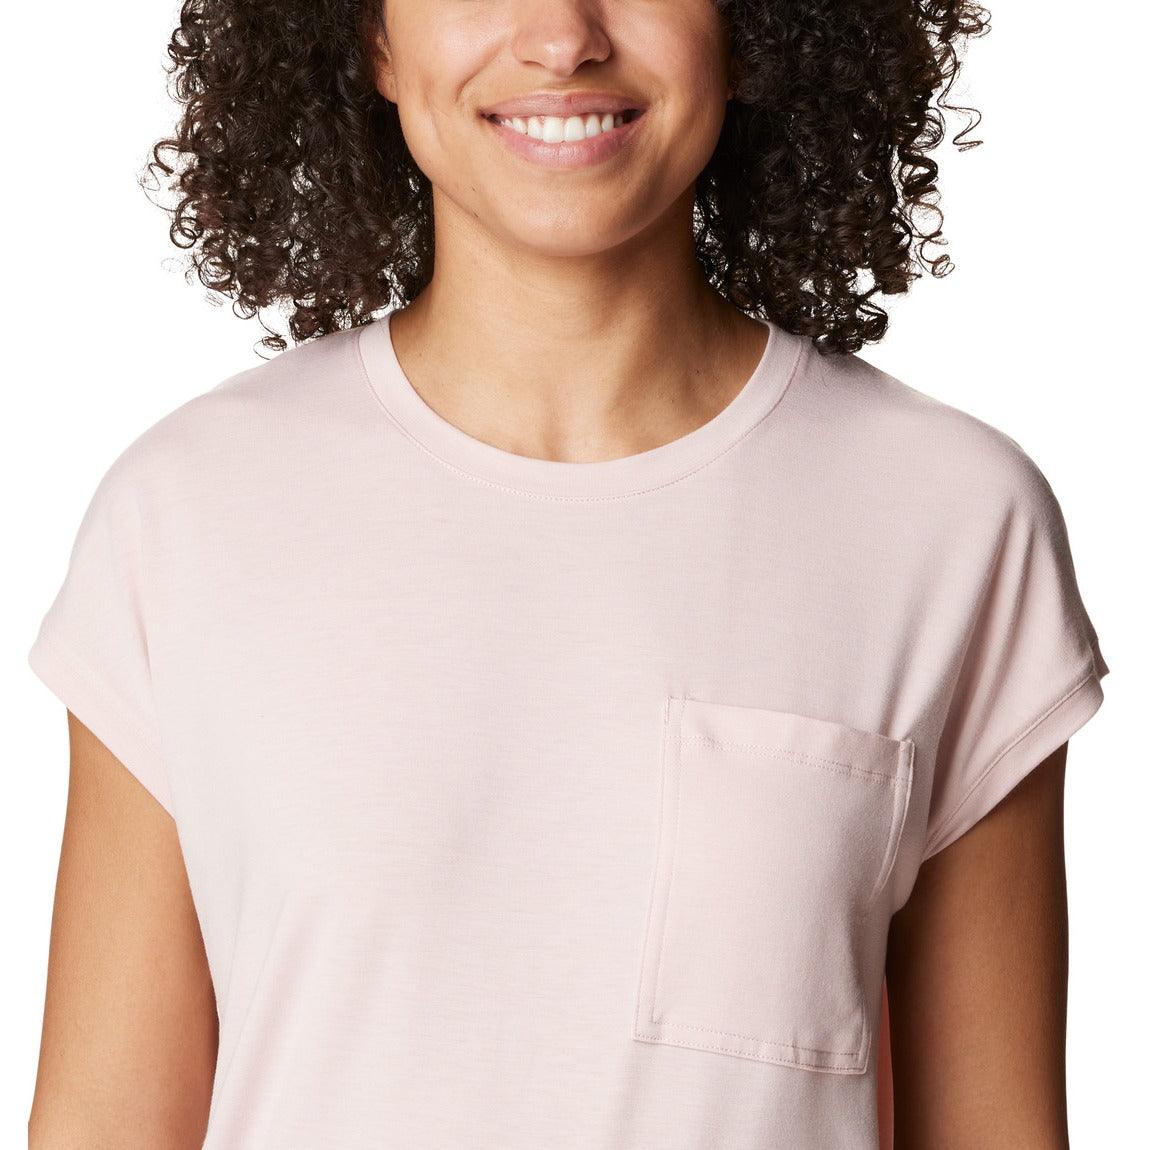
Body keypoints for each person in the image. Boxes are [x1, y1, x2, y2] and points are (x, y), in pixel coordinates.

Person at [25, 1, 1108, 1147]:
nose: (561, 37)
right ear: (371, 37)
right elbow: (103, 1126)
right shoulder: (190, 510)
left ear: (753, 26)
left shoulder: (946, 517)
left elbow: (994, 1129)